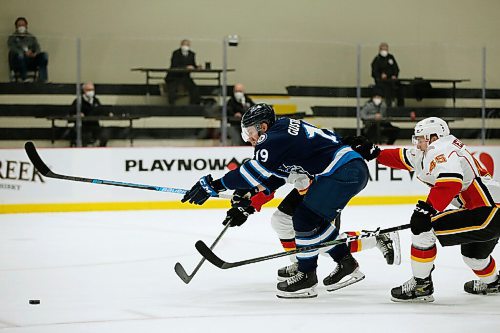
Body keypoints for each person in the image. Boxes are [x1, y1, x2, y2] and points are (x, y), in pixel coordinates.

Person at [181, 103, 383, 298]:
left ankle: (307, 276)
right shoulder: (283, 129)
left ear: (263, 126)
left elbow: (251, 174)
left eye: (250, 131)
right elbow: (277, 175)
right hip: (345, 170)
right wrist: (248, 197)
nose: (249, 138)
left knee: (303, 221)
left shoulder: (271, 139)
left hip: (342, 172)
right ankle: (344, 261)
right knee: (308, 222)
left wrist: (213, 186)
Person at [369, 117, 500, 302]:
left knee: (423, 229)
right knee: (473, 257)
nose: (417, 142)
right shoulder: (438, 148)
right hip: (490, 210)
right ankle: (493, 282)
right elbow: (403, 156)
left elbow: (451, 182)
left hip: (488, 211)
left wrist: (427, 210)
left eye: (421, 138)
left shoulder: (441, 148)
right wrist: (375, 153)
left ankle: (421, 285)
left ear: (433, 137)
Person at [223, 173, 401, 286]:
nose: (250, 138)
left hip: (323, 187)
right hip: (304, 185)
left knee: (322, 244)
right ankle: (301, 264)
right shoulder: (268, 145)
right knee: (281, 220)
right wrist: (248, 202)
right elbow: (268, 179)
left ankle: (377, 238)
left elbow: (271, 181)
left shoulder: (278, 142)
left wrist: (251, 202)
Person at [7, 17, 49, 83]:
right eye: (19, 25)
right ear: (16, 27)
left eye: (23, 25)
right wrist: (24, 53)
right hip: (18, 60)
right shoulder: (12, 38)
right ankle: (24, 78)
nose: (21, 27)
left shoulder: (31, 37)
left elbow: (37, 47)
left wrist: (35, 53)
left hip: (31, 59)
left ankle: (43, 79)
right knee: (20, 56)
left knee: (44, 55)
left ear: (26, 26)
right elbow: (12, 48)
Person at [70, 82, 110, 147]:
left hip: (95, 126)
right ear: (84, 90)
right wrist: (77, 114)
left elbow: (101, 110)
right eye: (89, 90)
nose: (91, 91)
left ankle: (100, 150)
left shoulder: (96, 101)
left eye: (92, 89)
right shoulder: (78, 101)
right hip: (82, 127)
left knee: (105, 134)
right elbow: (71, 113)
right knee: (86, 135)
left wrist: (107, 113)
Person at [165, 39, 201, 105]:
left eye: (187, 45)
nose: (185, 46)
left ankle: (193, 106)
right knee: (172, 90)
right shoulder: (176, 53)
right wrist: (185, 67)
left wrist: (197, 67)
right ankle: (171, 107)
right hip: (174, 77)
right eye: (184, 44)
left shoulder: (191, 54)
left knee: (194, 89)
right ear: (181, 45)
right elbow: (174, 64)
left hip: (185, 77)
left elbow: (192, 64)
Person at [371, 42, 402, 107]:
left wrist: (395, 75)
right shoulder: (377, 59)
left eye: (386, 49)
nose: (384, 51)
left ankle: (398, 106)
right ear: (379, 50)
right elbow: (374, 72)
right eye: (383, 49)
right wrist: (380, 76)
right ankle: (387, 105)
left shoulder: (391, 57)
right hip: (381, 82)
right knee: (385, 90)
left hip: (391, 81)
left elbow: (396, 68)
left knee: (400, 88)